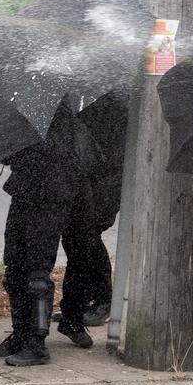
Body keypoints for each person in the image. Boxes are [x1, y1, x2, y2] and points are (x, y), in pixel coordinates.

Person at [0, 102, 101, 366]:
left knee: (35, 268)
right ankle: (21, 334)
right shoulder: (30, 102)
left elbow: (55, 152)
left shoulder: (48, 107)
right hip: (30, 186)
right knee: (17, 262)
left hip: (51, 190)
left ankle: (36, 342)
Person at [55, 92, 129, 337]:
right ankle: (77, 304)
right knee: (77, 237)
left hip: (106, 174)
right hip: (87, 171)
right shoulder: (93, 94)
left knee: (86, 236)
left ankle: (102, 298)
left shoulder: (117, 98)